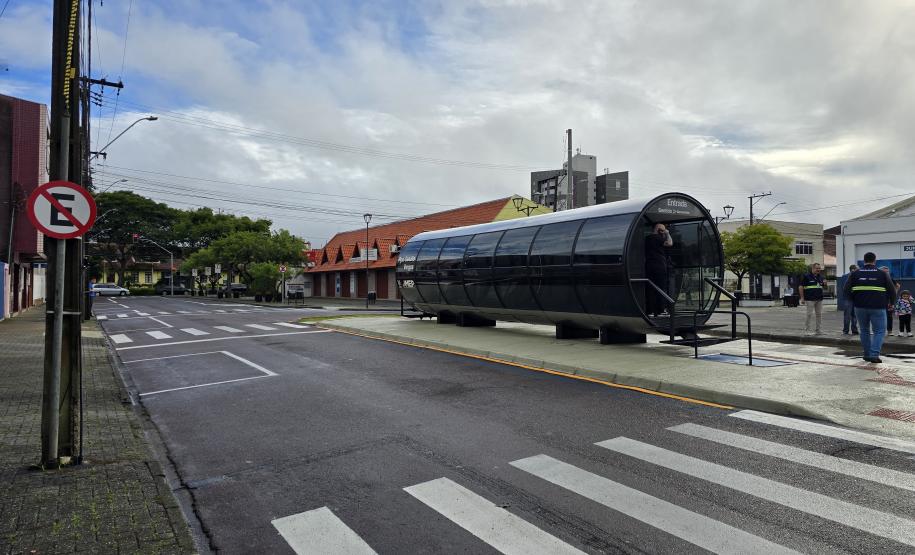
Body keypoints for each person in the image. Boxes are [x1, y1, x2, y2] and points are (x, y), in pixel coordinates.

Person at [845, 252, 897, 363]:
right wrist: (892, 303)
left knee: (864, 330)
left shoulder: (854, 273)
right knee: (879, 331)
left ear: (864, 261)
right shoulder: (882, 274)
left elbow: (846, 290)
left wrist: (853, 301)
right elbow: (892, 290)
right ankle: (874, 354)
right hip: (878, 307)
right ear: (875, 260)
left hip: (859, 307)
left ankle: (867, 354)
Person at [644, 222, 673, 317]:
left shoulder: (647, 239)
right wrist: (667, 233)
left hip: (649, 266)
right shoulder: (658, 238)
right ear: (658, 230)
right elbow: (670, 243)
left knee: (651, 289)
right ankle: (661, 310)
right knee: (661, 288)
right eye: (663, 230)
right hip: (659, 266)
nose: (664, 232)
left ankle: (650, 311)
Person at [799, 263, 825, 335]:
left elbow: (823, 287)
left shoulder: (821, 277)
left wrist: (825, 284)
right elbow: (801, 287)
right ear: (813, 269)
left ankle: (818, 330)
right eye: (817, 268)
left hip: (819, 299)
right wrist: (802, 298)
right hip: (809, 299)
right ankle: (807, 330)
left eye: (819, 268)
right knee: (809, 314)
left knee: (819, 314)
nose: (818, 270)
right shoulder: (806, 276)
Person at [880, 266, 901, 334]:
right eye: (885, 271)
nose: (887, 273)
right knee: (879, 316)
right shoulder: (878, 279)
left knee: (889, 316)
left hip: (888, 300)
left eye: (887, 271)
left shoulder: (890, 279)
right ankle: (879, 330)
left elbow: (898, 286)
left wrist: (894, 293)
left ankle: (889, 331)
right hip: (879, 300)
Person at [842, 264, 859, 335]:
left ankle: (854, 330)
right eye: (857, 269)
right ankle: (845, 331)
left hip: (855, 298)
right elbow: (844, 288)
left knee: (854, 315)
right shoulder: (845, 276)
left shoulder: (857, 276)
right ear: (853, 270)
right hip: (848, 298)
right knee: (847, 315)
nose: (859, 270)